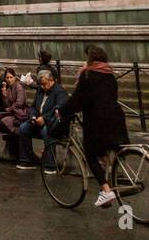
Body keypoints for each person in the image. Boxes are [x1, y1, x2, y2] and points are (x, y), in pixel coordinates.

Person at [59, 45, 128, 208]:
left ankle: (105, 190)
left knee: (90, 154)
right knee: (104, 150)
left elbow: (78, 99)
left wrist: (62, 111)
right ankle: (111, 173)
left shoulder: (88, 74)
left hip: (98, 121)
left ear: (90, 58)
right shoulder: (109, 74)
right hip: (116, 119)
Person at [17, 69, 69, 171]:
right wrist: (33, 117)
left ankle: (50, 165)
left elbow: (58, 109)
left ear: (51, 81)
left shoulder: (60, 92)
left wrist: (44, 119)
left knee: (46, 131)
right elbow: (33, 107)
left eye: (44, 84)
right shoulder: (41, 90)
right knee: (23, 128)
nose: (42, 87)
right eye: (40, 84)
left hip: (54, 124)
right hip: (38, 121)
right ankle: (27, 160)